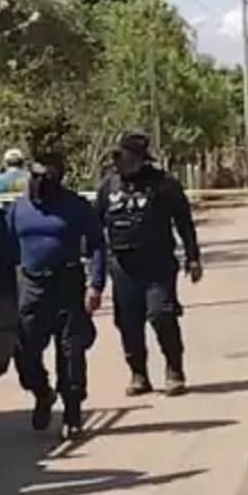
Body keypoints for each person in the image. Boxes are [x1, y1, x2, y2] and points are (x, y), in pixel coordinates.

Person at [5, 152, 106, 438]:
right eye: (34, 175)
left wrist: (95, 284)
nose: (38, 182)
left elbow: (98, 244)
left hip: (67, 286)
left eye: (45, 176)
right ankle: (41, 392)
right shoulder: (17, 209)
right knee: (24, 351)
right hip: (31, 287)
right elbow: (7, 250)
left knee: (71, 353)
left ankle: (72, 412)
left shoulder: (75, 206)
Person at [95, 132, 203, 397]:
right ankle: (138, 374)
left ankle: (174, 370)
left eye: (121, 156)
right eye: (114, 156)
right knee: (128, 322)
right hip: (122, 265)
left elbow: (183, 222)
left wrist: (192, 257)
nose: (116, 161)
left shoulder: (164, 184)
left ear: (139, 159)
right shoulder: (108, 185)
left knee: (161, 315)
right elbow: (94, 225)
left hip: (158, 264)